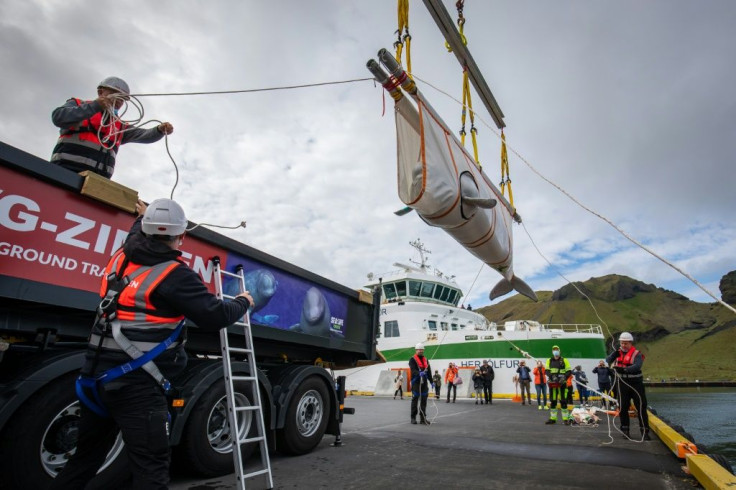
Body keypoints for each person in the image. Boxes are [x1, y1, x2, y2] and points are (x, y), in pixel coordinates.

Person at [50, 198, 253, 489]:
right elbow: (216, 315)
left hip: (93, 380)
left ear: (143, 230)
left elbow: (136, 236)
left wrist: (142, 216)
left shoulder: (121, 256)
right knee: (150, 470)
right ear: (182, 236)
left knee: (84, 459)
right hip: (137, 389)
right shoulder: (175, 275)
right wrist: (243, 302)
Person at [51, 77, 174, 179]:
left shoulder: (119, 125)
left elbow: (143, 135)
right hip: (64, 172)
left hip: (97, 182)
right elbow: (58, 117)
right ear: (100, 92)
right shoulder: (78, 105)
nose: (119, 101)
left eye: (123, 99)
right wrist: (95, 106)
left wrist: (159, 130)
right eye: (115, 94)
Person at [607, 332, 650, 440]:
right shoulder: (617, 353)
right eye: (622, 343)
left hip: (636, 384)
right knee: (623, 407)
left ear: (630, 343)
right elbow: (607, 361)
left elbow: (637, 366)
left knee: (641, 407)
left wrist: (625, 369)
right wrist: (612, 356)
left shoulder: (637, 354)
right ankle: (625, 431)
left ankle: (644, 431)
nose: (623, 345)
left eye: (626, 343)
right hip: (622, 384)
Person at [545, 345, 572, 425]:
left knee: (563, 401)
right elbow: (546, 371)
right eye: (554, 350)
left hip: (562, 384)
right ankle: (553, 419)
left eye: (557, 350)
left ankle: (566, 419)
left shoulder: (565, 360)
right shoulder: (549, 360)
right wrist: (552, 376)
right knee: (553, 402)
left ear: (559, 351)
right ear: (552, 351)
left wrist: (564, 378)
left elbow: (569, 371)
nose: (555, 351)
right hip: (553, 384)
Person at [409, 343, 433, 425]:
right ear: (416, 350)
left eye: (422, 349)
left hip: (424, 383)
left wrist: (432, 381)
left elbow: (429, 372)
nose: (420, 351)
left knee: (424, 401)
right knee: (415, 399)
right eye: (419, 349)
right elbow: (413, 370)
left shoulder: (426, 360)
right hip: (416, 382)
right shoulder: (412, 360)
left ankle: (423, 419)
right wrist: (419, 373)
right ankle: (413, 418)